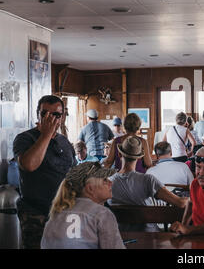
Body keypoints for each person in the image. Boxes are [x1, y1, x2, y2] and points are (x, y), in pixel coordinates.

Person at [13, 95, 77, 249]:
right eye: (44, 114)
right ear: (38, 115)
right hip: (37, 214)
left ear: (62, 117)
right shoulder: (25, 139)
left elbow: (73, 173)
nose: (50, 118)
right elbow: (29, 165)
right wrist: (46, 134)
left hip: (65, 213)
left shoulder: (64, 142)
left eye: (56, 115)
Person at [109, 136, 188, 231]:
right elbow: (180, 203)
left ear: (120, 154)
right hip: (148, 235)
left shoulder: (108, 181)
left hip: (120, 236)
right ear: (140, 157)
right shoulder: (148, 180)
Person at [40, 161, 124, 249]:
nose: (111, 183)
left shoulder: (56, 215)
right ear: (90, 188)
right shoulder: (101, 214)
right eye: (104, 180)